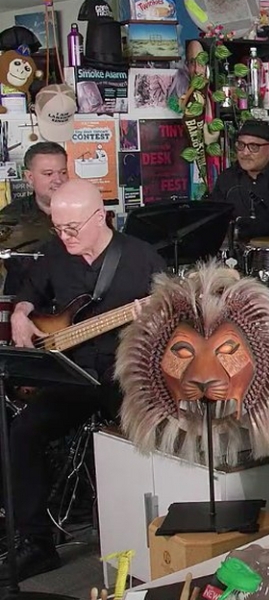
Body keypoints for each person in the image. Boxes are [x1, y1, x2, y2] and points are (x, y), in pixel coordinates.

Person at [2, 179, 166, 581]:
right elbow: (28, 292)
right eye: (58, 227)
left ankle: (152, 537)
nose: (65, 235)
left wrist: (156, 322)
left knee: (149, 438)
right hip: (73, 375)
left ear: (101, 216)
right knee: (22, 432)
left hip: (124, 376)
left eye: (72, 227)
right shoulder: (56, 253)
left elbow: (174, 320)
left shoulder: (142, 259)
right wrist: (21, 314)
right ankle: (36, 543)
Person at [206, 120, 269, 242]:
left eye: (254, 147)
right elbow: (214, 219)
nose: (245, 153)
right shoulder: (227, 178)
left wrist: (241, 229)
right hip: (234, 254)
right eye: (241, 145)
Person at [1, 142, 67, 294]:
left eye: (63, 172)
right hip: (23, 308)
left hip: (75, 305)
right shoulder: (10, 217)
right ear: (30, 177)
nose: (58, 180)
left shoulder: (85, 210)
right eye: (48, 174)